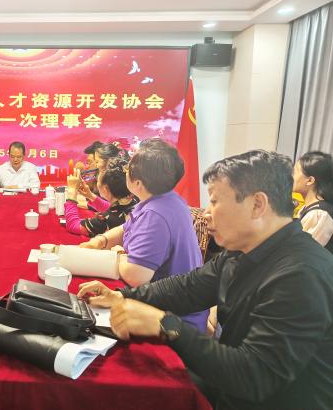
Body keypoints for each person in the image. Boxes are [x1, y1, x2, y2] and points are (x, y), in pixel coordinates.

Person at [79, 150, 333, 410]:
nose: (206, 213)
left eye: (214, 201)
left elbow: (254, 376)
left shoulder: (301, 274)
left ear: (257, 205)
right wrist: (121, 296)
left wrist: (166, 324)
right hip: (228, 387)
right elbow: (189, 287)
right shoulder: (242, 250)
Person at [79, 138, 206, 331]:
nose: (125, 172)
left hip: (171, 321)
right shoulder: (162, 200)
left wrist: (118, 253)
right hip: (166, 307)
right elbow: (127, 227)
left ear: (137, 182)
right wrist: (101, 241)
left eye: (128, 169)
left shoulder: (156, 214)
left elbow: (136, 276)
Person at [65, 157, 137, 236]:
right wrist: (90, 196)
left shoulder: (105, 220)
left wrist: (71, 191)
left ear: (105, 189)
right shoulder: (132, 201)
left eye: (100, 172)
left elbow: (73, 225)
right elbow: (109, 207)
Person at [292, 151, 333, 253]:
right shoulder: (308, 209)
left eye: (295, 172)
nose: (291, 176)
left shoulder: (319, 214)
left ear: (310, 180)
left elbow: (302, 253)